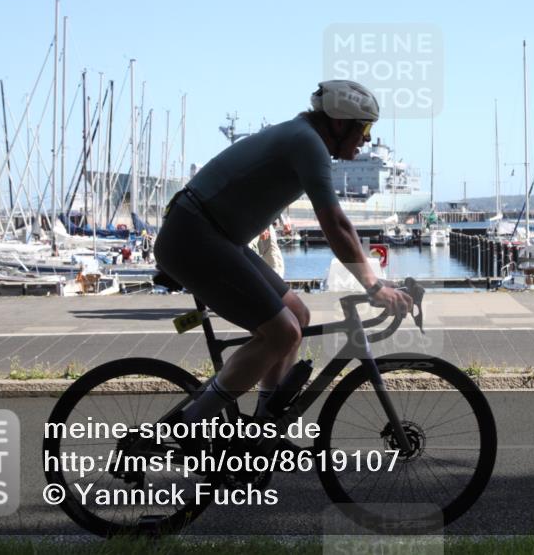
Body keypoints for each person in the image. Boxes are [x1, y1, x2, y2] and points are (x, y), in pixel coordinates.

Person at [155, 80, 412, 422]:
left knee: (298, 316)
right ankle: (190, 424)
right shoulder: (307, 143)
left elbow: (338, 224)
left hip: (214, 236)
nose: (366, 138)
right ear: (338, 123)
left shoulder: (304, 137)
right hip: (195, 236)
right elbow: (335, 224)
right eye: (364, 127)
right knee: (283, 332)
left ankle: (262, 423)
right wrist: (373, 285)